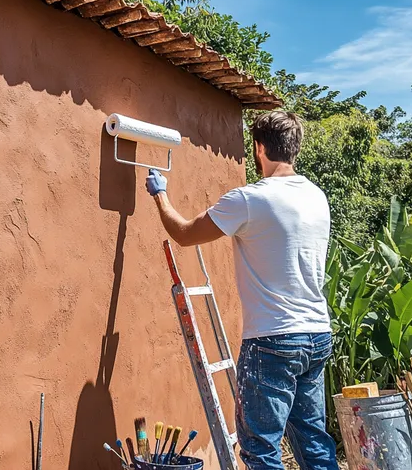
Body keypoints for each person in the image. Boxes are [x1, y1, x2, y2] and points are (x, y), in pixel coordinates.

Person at [145, 110, 338, 470]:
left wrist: (161, 196)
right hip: (316, 334)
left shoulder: (250, 199)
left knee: (260, 449)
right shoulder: (317, 198)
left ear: (259, 147)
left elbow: (185, 234)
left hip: (272, 340)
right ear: (294, 149)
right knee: (313, 441)